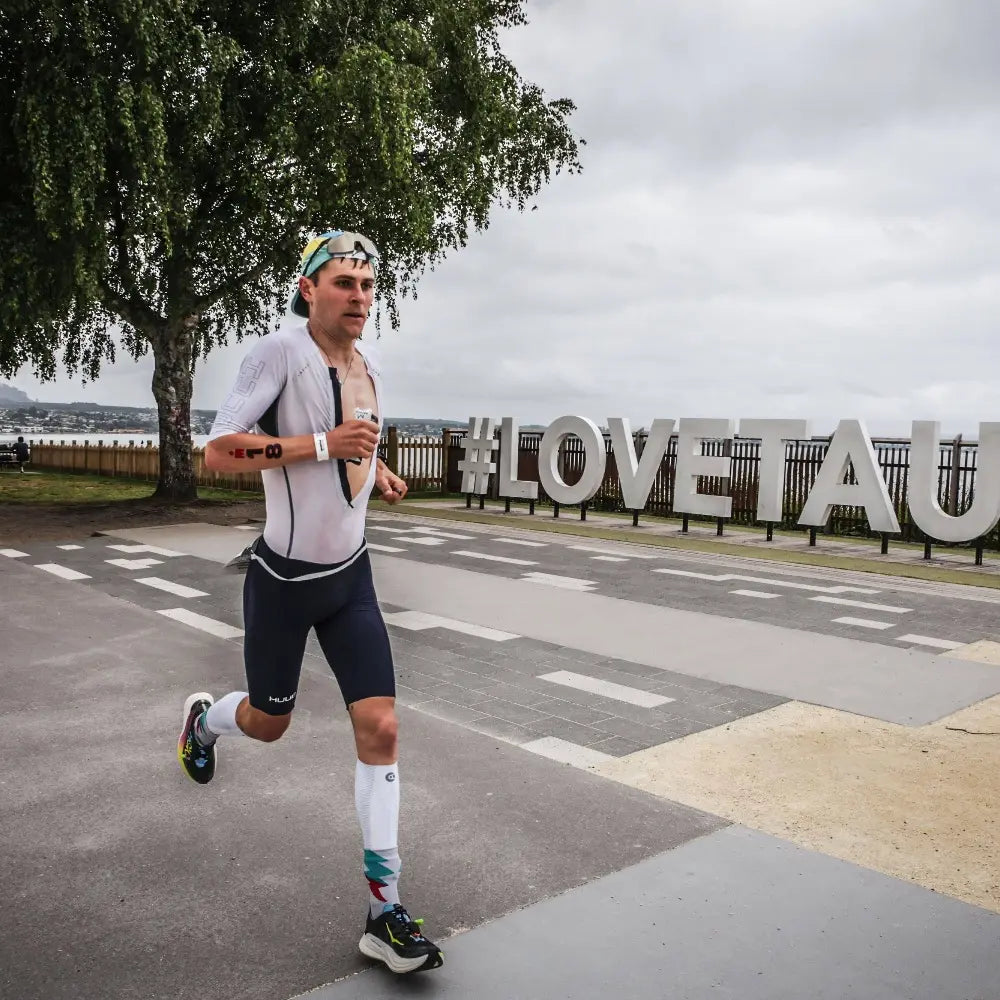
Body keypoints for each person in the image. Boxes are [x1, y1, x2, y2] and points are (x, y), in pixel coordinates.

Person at [177, 231, 443, 974]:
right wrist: (323, 447)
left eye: (367, 285)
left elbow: (352, 436)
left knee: (382, 728)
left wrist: (376, 467)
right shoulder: (277, 353)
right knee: (270, 723)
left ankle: (384, 910)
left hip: (350, 579)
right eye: (344, 284)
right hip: (284, 582)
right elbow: (220, 449)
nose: (360, 297)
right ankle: (206, 720)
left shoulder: (372, 363)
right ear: (308, 289)